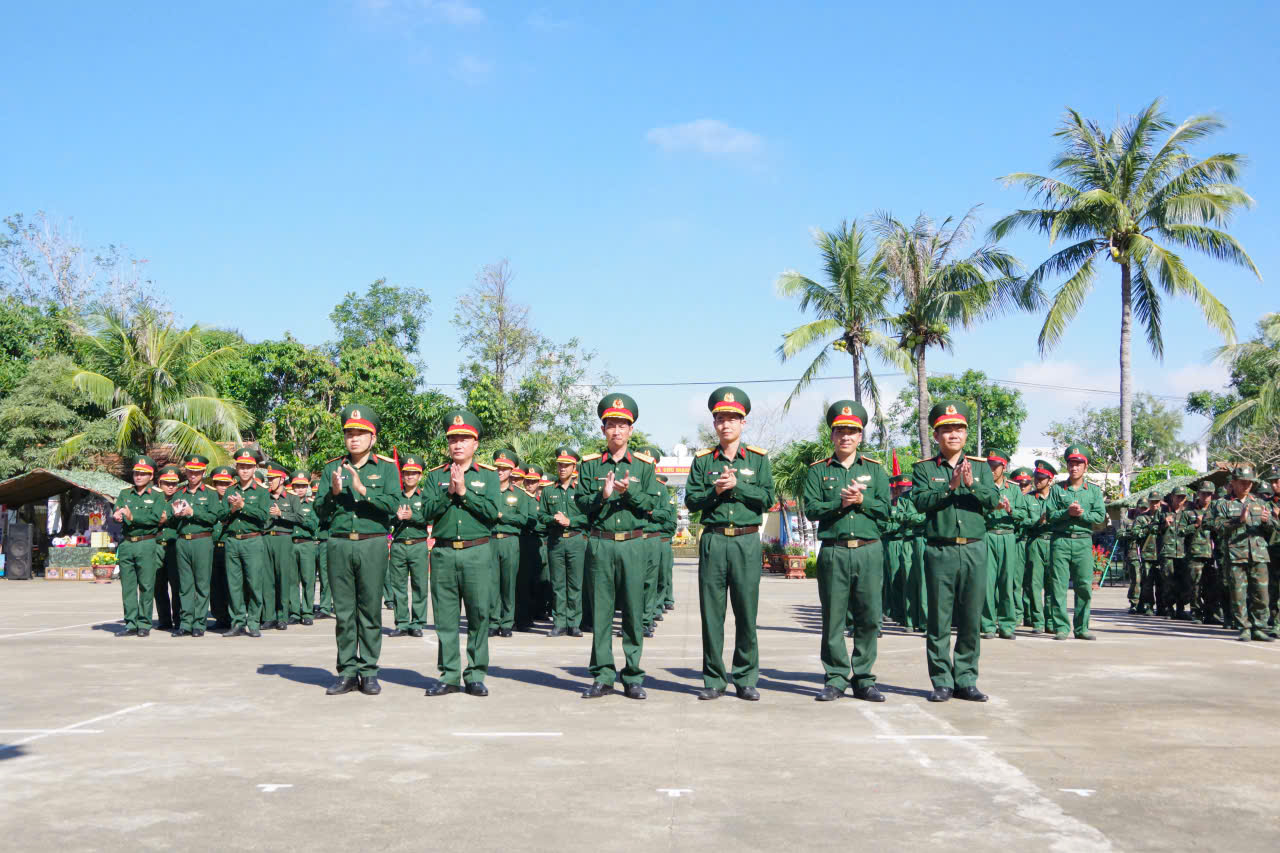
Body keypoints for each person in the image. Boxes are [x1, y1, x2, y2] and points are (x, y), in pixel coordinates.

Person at [685, 386, 776, 701]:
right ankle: (713, 679)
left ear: (743, 422)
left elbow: (767, 498)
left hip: (746, 540)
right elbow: (692, 501)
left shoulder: (759, 460)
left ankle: (746, 677)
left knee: (746, 613)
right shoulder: (702, 461)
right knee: (712, 615)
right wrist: (716, 491)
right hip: (714, 539)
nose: (727, 424)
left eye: (733, 418)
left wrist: (738, 487)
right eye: (721, 418)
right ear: (714, 424)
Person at [910, 401, 1000, 703]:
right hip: (940, 550)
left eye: (958, 429)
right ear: (936, 436)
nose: (953, 434)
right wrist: (949, 487)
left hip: (974, 549)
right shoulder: (924, 469)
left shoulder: (981, 467)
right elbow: (920, 502)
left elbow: (993, 499)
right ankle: (941, 681)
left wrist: (972, 486)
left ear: (965, 434)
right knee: (938, 619)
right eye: (946, 429)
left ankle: (966, 679)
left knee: (972, 617)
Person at [801, 399, 887, 702]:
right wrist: (841, 503)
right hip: (834, 551)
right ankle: (836, 677)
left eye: (852, 431)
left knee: (869, 617)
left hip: (868, 550)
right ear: (832, 436)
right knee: (833, 618)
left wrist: (863, 502)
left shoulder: (875, 471)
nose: (846, 437)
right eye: (840, 431)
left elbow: (887, 509)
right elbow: (811, 508)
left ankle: (864, 677)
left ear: (861, 436)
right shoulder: (817, 472)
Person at [315, 404, 403, 696]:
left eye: (361, 433)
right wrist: (334, 493)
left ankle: (369, 671)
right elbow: (319, 511)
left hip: (372, 542)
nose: (354, 438)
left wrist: (363, 490)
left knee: (369, 610)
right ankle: (347, 671)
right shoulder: (331, 468)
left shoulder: (387, 468)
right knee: (343, 612)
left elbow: (394, 505)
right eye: (349, 433)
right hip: (339, 542)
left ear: (372, 438)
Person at [577, 393, 659, 700]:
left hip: (633, 545)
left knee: (634, 612)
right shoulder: (588, 466)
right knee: (600, 613)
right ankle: (602, 675)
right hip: (600, 543)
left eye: (623, 425)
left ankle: (633, 675)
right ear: (603, 430)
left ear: (631, 430)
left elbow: (651, 503)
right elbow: (581, 504)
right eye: (611, 425)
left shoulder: (643, 467)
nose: (617, 431)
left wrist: (627, 495)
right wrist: (604, 493)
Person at [420, 409, 501, 697]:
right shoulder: (434, 477)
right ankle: (450, 674)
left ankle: (476, 674)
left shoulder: (489, 477)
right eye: (453, 439)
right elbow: (425, 512)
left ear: (475, 444)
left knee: (479, 614)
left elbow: (493, 514)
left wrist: (465, 492)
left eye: (464, 439)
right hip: (442, 554)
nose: (458, 444)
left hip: (476, 552)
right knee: (445, 617)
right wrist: (449, 492)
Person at [1043, 444, 1105, 640]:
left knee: (1084, 586)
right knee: (1058, 586)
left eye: (1079, 464)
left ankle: (1081, 628)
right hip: (1060, 541)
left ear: (1086, 467)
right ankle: (1061, 627)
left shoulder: (1093, 491)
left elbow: (1100, 516)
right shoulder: (1057, 489)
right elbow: (1049, 514)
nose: (1074, 468)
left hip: (1083, 542)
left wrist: (1082, 514)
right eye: (1071, 463)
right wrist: (1066, 513)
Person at [1209, 466, 1274, 642]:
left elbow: (1272, 530)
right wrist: (1239, 521)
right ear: (1234, 483)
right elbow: (1218, 528)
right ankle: (1244, 628)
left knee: (1261, 594)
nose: (1247, 486)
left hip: (1258, 554)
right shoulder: (1222, 504)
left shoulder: (1260, 503)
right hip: (1236, 555)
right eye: (1243, 482)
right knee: (1238, 595)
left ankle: (1259, 628)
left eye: (1249, 483)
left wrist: (1268, 523)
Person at [170, 454, 227, 637]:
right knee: (185, 585)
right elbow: (170, 521)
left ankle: (199, 623)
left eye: (197, 472)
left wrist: (193, 512)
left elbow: (213, 517)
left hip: (202, 540)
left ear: (203, 472)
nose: (193, 475)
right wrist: (175, 515)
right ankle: (185, 623)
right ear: (185, 472)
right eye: (190, 471)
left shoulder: (210, 494)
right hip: (182, 540)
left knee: (202, 584)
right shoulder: (178, 493)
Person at [112, 456, 168, 637]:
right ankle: (130, 623)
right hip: (127, 543)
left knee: (146, 585)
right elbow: (118, 509)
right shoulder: (125, 493)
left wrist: (132, 517)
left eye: (143, 474)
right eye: (136, 473)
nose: (138, 477)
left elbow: (155, 517)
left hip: (146, 542)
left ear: (151, 476)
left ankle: (144, 623)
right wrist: (118, 514)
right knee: (128, 586)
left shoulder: (158, 495)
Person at [981, 449, 1029, 640]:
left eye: (996, 466)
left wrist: (1010, 510)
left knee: (1006, 581)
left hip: (1008, 535)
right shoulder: (982, 487)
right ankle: (988, 624)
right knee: (987, 582)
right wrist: (991, 508)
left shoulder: (1014, 489)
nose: (992, 470)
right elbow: (975, 513)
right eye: (989, 466)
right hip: (988, 535)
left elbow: (1024, 515)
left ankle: (1007, 625)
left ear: (1004, 467)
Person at [224, 447, 271, 638]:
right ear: (236, 468)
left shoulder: (261, 491)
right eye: (241, 466)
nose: (244, 470)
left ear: (254, 469)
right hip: (233, 540)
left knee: (254, 582)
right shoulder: (229, 490)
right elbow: (220, 514)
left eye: (248, 467)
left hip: (252, 540)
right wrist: (232, 510)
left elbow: (264, 516)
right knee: (234, 584)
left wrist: (243, 506)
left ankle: (253, 622)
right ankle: (237, 622)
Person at [542, 446, 587, 637]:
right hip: (556, 541)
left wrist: (571, 521)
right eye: (560, 465)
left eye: (566, 465)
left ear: (573, 467)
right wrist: (553, 519)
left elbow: (589, 517)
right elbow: (540, 516)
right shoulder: (548, 491)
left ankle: (574, 623)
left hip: (576, 540)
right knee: (558, 583)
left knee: (576, 583)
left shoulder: (581, 491)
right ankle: (559, 622)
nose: (562, 468)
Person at [388, 455, 431, 639]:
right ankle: (402, 622)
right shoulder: (395, 497)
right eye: (406, 473)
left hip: (418, 545)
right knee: (398, 586)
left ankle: (417, 623)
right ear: (402, 475)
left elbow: (430, 517)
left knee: (419, 585)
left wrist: (413, 516)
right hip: (398, 545)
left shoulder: (425, 496)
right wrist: (396, 518)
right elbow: (385, 518)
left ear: (420, 476)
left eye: (414, 473)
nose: (410, 477)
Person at [489, 448, 530, 639]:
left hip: (510, 541)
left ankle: (506, 622)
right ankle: (492, 620)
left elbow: (523, 519)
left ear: (511, 471)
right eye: (498, 467)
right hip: (490, 541)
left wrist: (502, 516)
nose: (500, 471)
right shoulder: (487, 491)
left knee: (508, 583)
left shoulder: (520, 495)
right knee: (491, 584)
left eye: (504, 469)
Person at [263, 461, 305, 630]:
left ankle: (283, 616)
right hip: (266, 538)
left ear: (281, 479)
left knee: (283, 578)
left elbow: (301, 518)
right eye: (268, 478)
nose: (269, 481)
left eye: (272, 478)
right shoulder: (263, 496)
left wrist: (282, 514)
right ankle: (269, 616)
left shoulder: (292, 498)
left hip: (284, 538)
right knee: (267, 579)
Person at [1023, 460, 1056, 633]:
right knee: (1034, 584)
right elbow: (1023, 520)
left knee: (1052, 584)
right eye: (1036, 477)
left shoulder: (1057, 496)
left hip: (1053, 542)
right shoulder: (1028, 499)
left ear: (1050, 480)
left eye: (1042, 478)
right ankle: (1037, 621)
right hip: (1035, 541)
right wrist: (1039, 521)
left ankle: (1051, 621)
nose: (1038, 481)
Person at [518, 464, 549, 631]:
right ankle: (523, 618)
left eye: (533, 481)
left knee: (538, 581)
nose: (530, 484)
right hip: (524, 541)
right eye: (527, 481)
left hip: (539, 542)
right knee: (524, 582)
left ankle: (534, 613)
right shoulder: (520, 498)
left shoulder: (541, 500)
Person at [1181, 481, 1217, 625]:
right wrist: (1195, 525)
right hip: (1195, 554)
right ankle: (1196, 612)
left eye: (1209, 494)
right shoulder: (1188, 512)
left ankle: (1210, 613)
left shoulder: (1216, 511)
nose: (1206, 497)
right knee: (1195, 585)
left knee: (1211, 586)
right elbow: (1180, 531)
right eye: (1204, 493)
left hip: (1212, 554)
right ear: (1198, 494)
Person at [153, 465, 183, 631]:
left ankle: (178, 620)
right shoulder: (153, 499)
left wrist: (168, 519)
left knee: (177, 585)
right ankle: (164, 620)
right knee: (158, 585)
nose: (170, 486)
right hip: (156, 545)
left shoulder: (180, 500)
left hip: (174, 546)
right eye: (166, 483)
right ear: (159, 483)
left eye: (173, 483)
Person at [290, 471, 320, 626]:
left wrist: (299, 518)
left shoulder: (311, 504)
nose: (300, 489)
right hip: (290, 544)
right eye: (297, 486)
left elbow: (314, 525)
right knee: (292, 581)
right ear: (292, 487)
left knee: (308, 579)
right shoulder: (287, 503)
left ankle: (307, 612)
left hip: (306, 544)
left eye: (303, 486)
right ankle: (295, 612)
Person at [208, 465, 234, 630]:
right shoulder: (209, 499)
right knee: (214, 584)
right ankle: (219, 616)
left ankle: (233, 617)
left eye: (226, 484)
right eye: (219, 483)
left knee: (231, 584)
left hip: (229, 546)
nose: (223, 487)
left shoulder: (234, 501)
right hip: (211, 546)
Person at [1159, 486, 1191, 620]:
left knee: (1183, 582)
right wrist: (1164, 524)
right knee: (1168, 581)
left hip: (1183, 553)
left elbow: (1194, 530)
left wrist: (1192, 527)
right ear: (1172, 497)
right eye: (1178, 496)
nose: (1180, 499)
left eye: (1183, 497)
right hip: (1168, 552)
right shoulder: (1162, 513)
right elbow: (1153, 529)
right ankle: (1169, 609)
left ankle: (1180, 609)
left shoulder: (1187, 515)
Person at [1136, 493, 1163, 615]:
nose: (1155, 505)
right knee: (1147, 583)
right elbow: (1136, 533)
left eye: (1157, 502)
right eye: (1152, 502)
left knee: (1162, 582)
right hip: (1148, 553)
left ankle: (1162, 606)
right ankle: (1149, 606)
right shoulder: (1141, 518)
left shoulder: (1165, 516)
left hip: (1163, 553)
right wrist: (1149, 527)